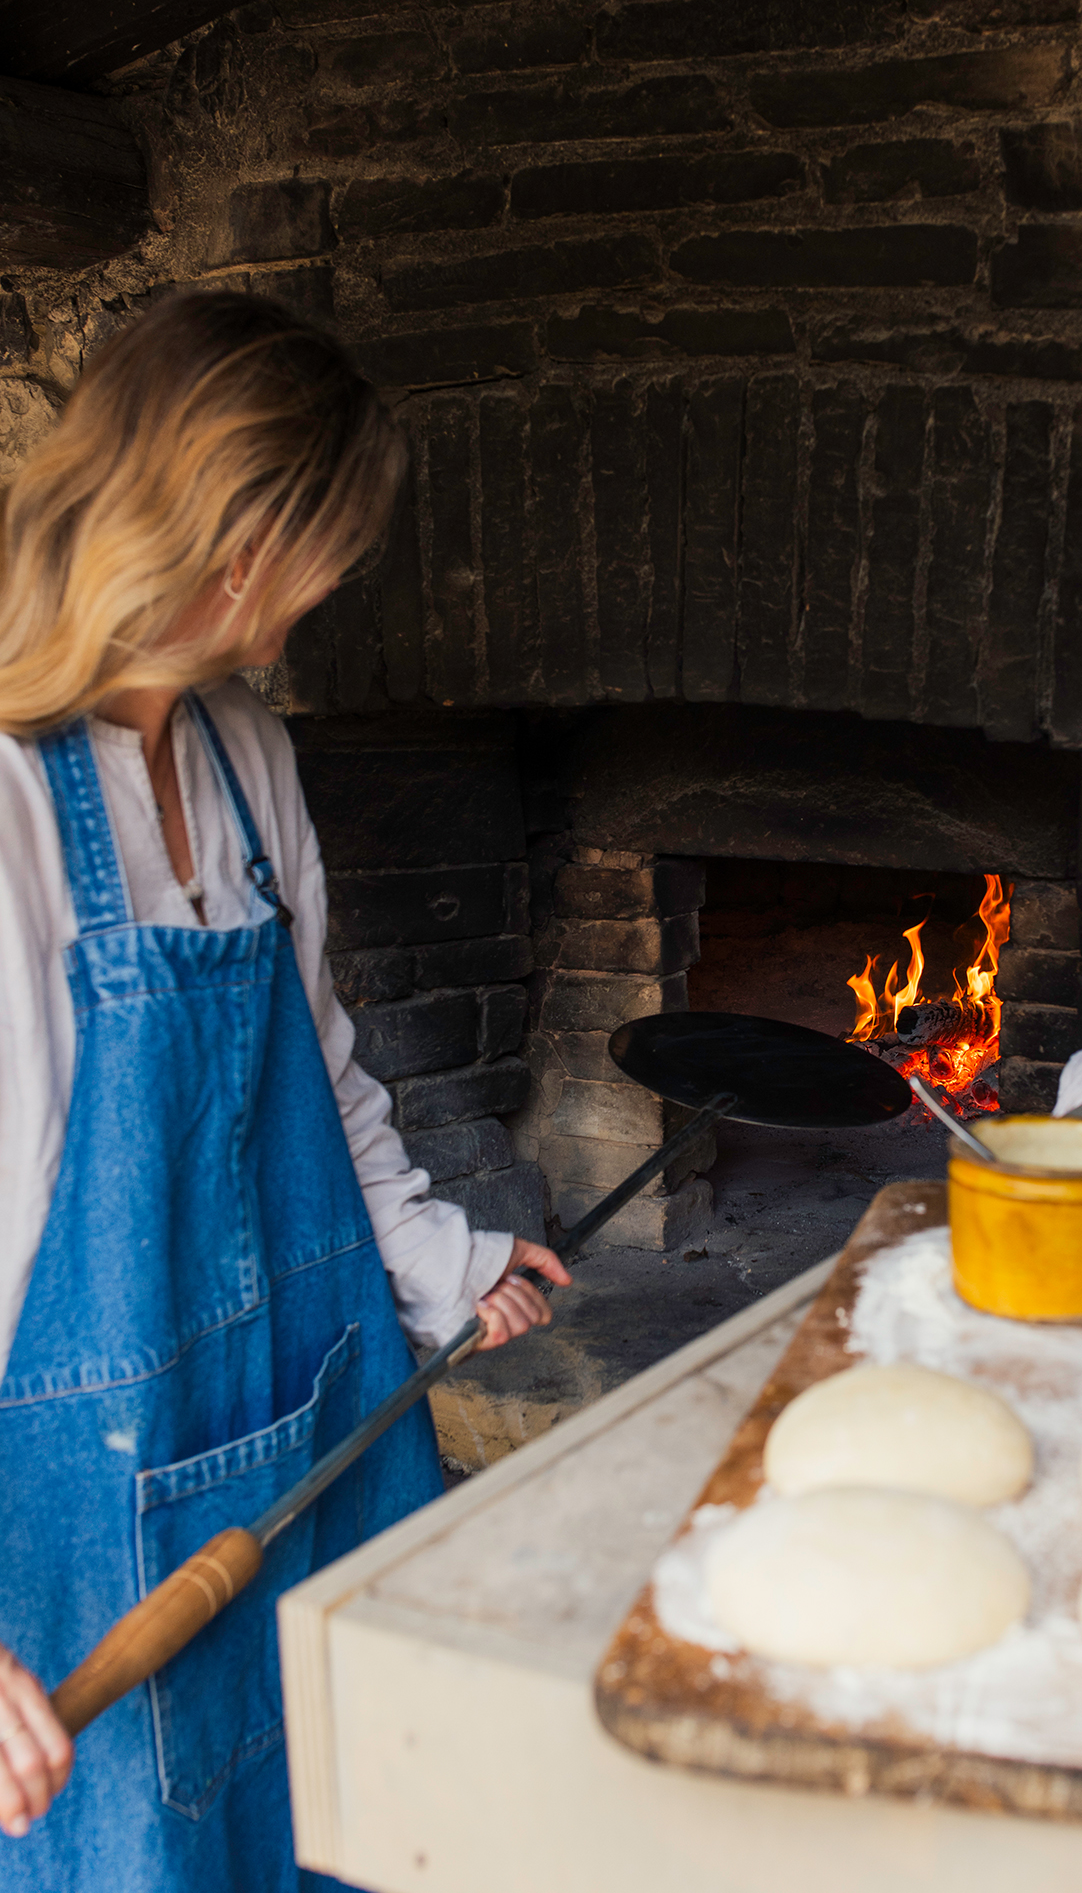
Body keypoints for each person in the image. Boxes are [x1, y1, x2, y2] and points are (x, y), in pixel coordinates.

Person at [0, 291, 570, 1889]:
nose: (329, 591)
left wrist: (439, 1266)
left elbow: (318, 1067)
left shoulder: (246, 756)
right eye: (330, 546)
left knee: (357, 1818)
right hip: (89, 1519)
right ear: (241, 537)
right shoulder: (12, 808)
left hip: (309, 1425)